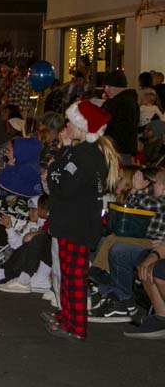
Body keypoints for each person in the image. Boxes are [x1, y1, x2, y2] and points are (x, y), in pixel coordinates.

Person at [41, 100, 121, 341]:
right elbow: (61, 176)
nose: (67, 125)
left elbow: (61, 185)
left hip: (76, 224)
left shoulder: (85, 154)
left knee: (74, 276)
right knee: (68, 274)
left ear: (82, 126)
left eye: (71, 121)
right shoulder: (82, 151)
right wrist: (63, 153)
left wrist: (55, 172)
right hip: (72, 222)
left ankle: (76, 326)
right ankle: (67, 315)